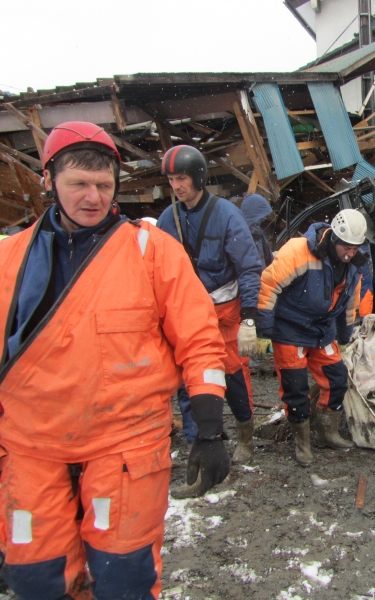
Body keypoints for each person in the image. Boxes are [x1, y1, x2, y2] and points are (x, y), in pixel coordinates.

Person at [0, 122, 229, 598]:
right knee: (35, 579)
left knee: (125, 576)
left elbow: (199, 337)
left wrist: (209, 427)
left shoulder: (151, 252)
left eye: (104, 186)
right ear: (49, 182)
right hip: (29, 445)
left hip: (125, 445)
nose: (93, 197)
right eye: (78, 184)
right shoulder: (9, 259)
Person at [157, 145, 263, 464]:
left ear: (199, 178)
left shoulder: (226, 214)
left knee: (233, 378)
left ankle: (245, 435)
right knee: (189, 379)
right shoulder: (167, 219)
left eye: (183, 178)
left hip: (225, 313)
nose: (177, 186)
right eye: (172, 179)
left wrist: (248, 318)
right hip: (187, 313)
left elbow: (248, 266)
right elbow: (157, 270)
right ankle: (199, 439)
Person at [255, 209, 367, 466]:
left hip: (322, 330)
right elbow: (269, 285)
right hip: (290, 330)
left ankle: (327, 432)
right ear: (334, 239)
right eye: (346, 248)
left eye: (355, 248)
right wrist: (263, 331)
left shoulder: (353, 267)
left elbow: (349, 305)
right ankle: (302, 443)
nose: (349, 254)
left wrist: (345, 337)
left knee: (337, 379)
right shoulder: (298, 251)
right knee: (296, 389)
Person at [240, 193, 274, 270]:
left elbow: (268, 259)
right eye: (262, 216)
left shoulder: (259, 234)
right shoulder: (243, 239)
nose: (264, 219)